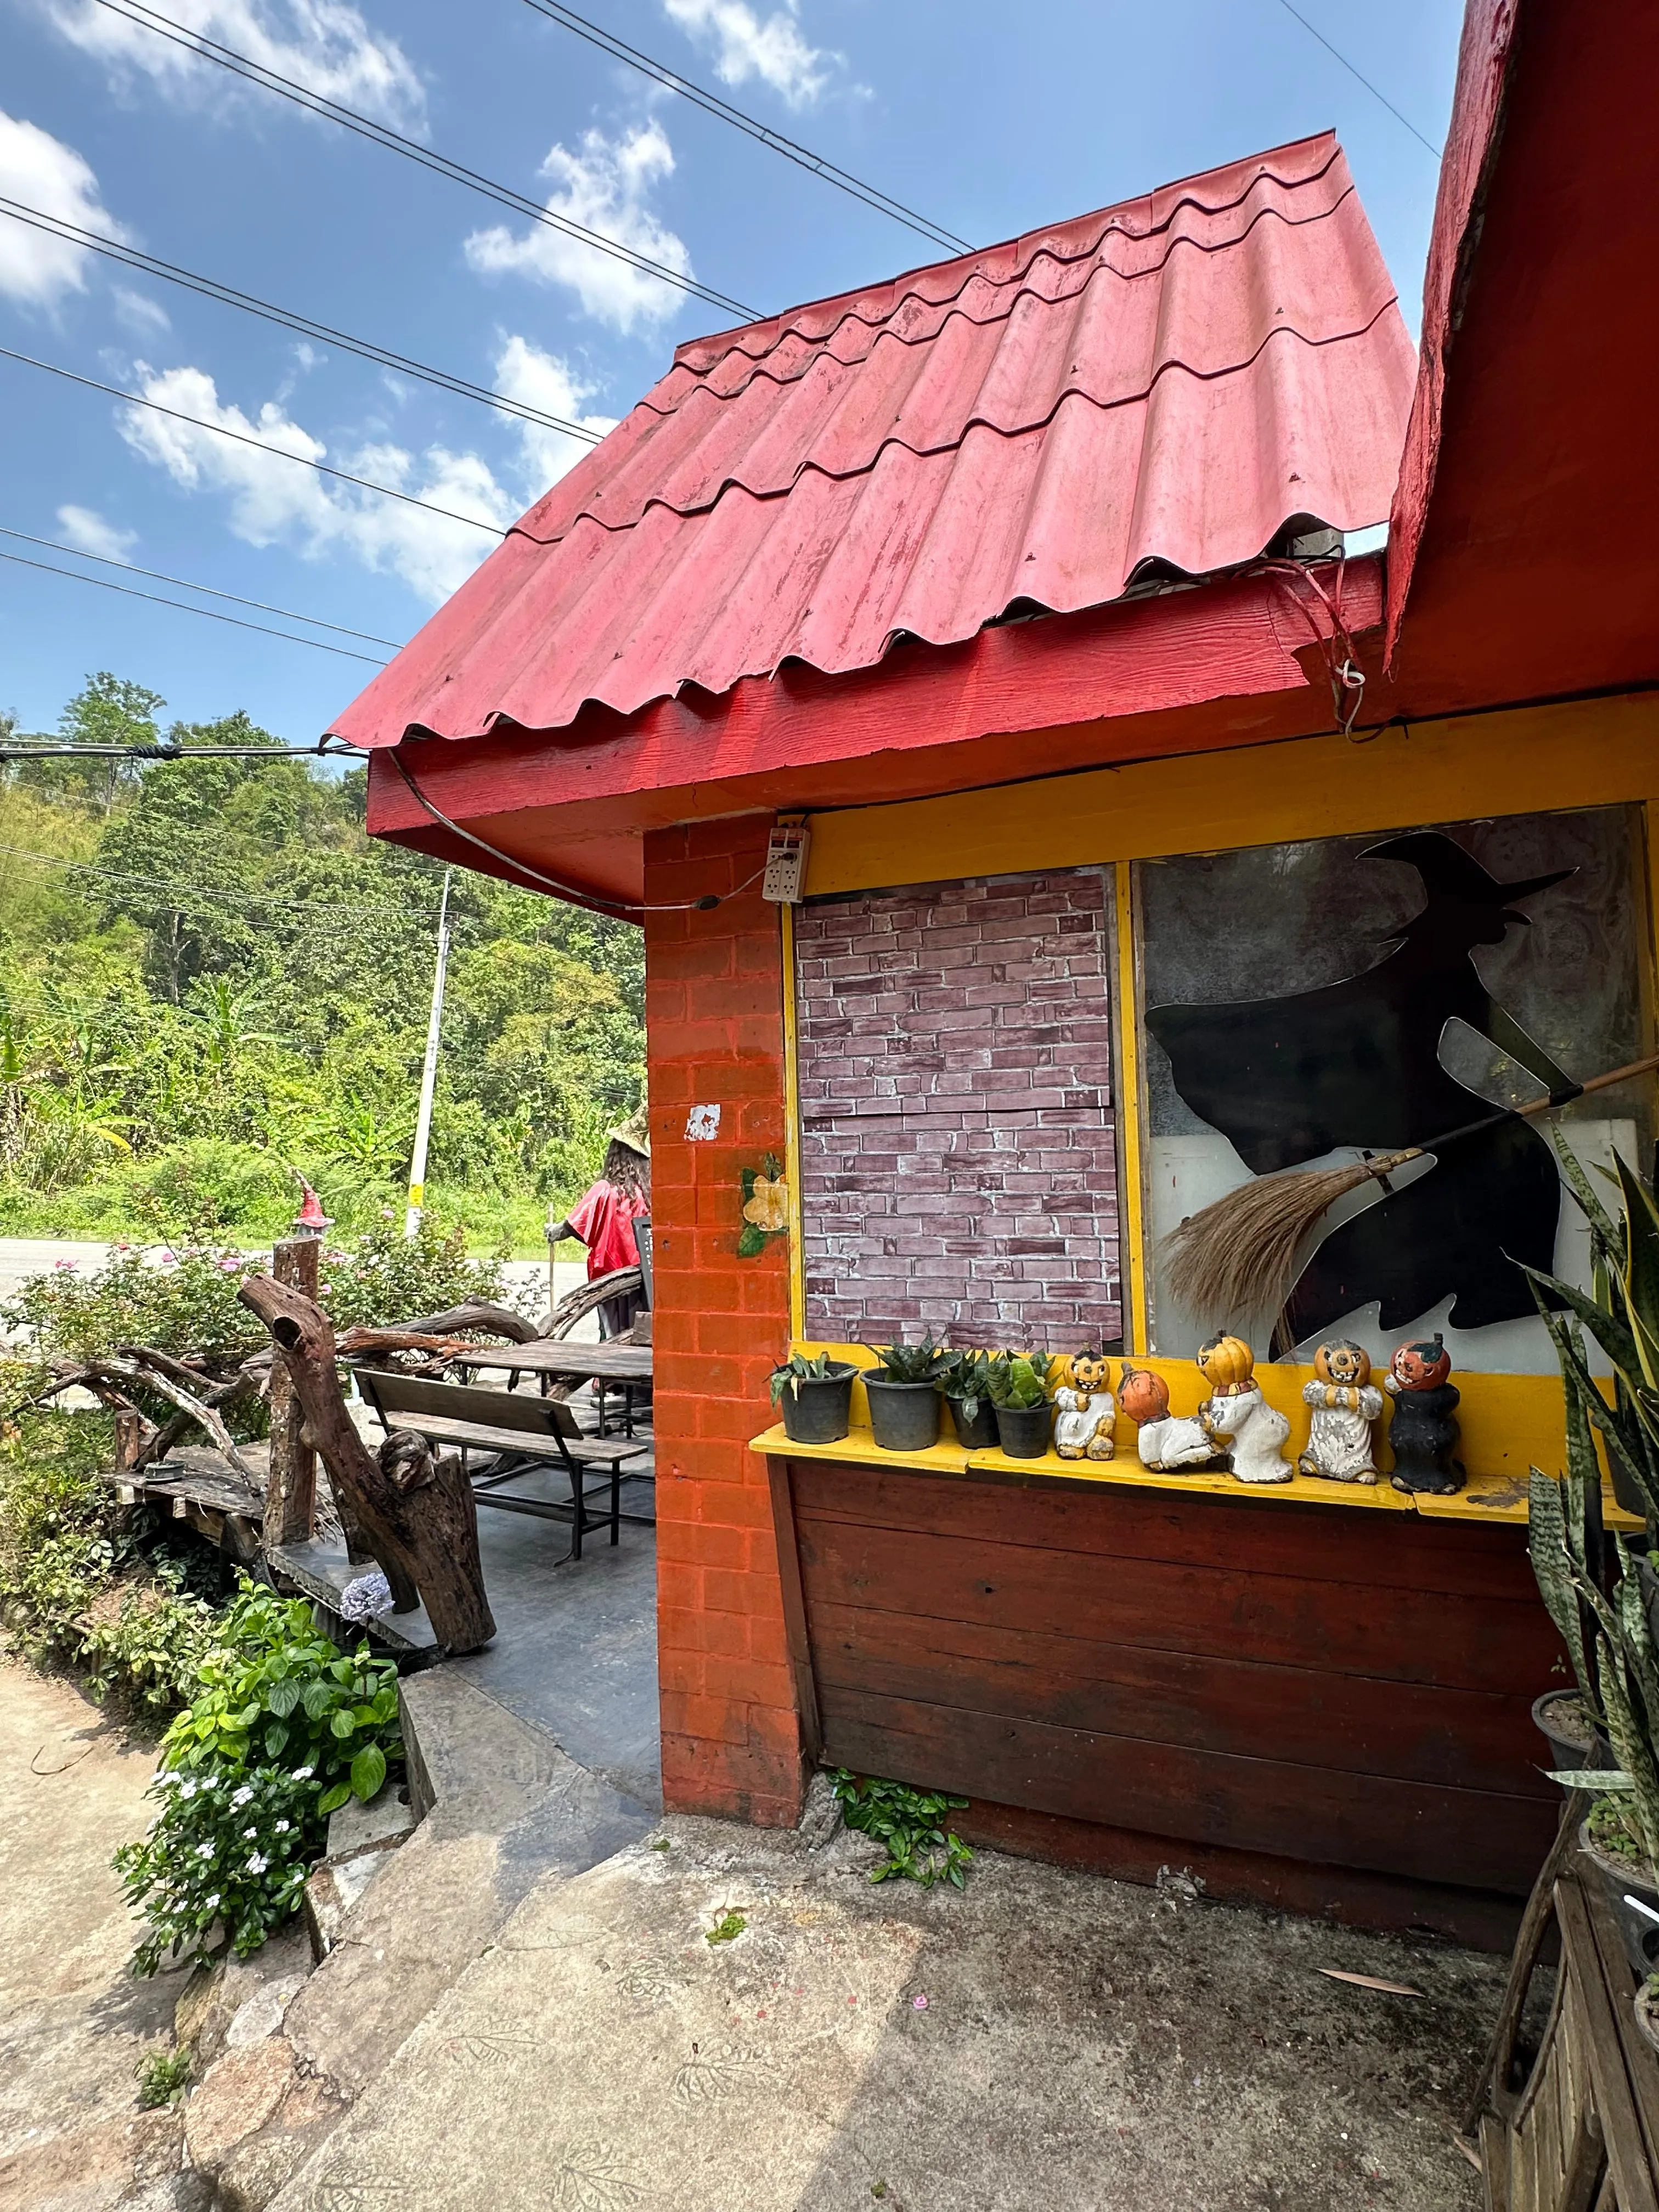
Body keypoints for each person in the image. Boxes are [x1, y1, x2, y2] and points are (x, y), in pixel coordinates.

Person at [546, 1110, 651, 1338]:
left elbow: (573, 1225)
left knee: (611, 1333)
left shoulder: (604, 1190)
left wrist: (553, 1232)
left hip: (609, 1278)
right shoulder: (648, 1194)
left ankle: (608, 1374)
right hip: (641, 1276)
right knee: (640, 1332)